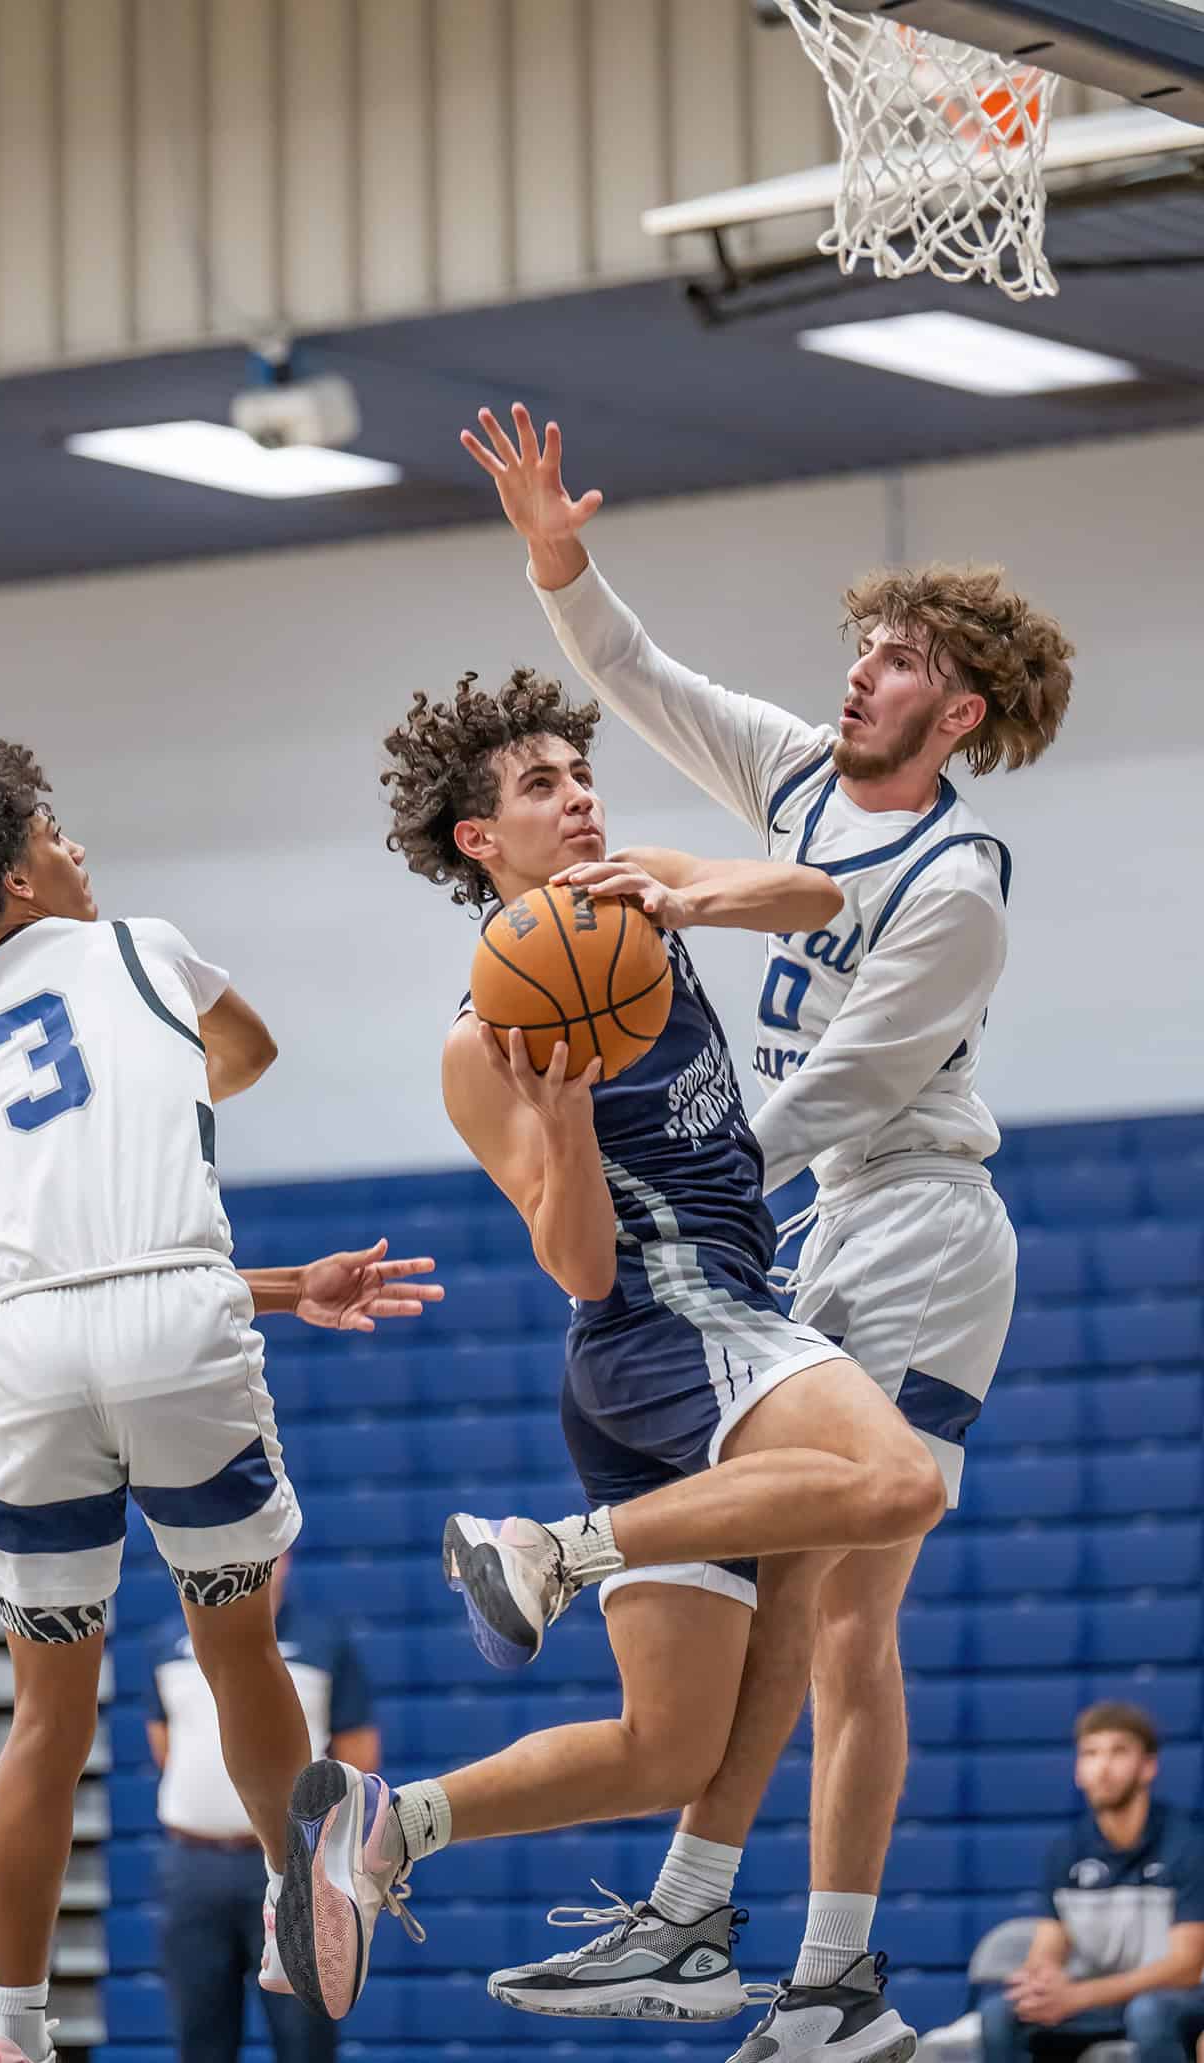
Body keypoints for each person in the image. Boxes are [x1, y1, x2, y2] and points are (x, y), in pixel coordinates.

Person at [458, 403, 1072, 2060]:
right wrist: (558, 564)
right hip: (804, 1225)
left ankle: (837, 1980)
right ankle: (712, 1923)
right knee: (793, 1591)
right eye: (862, 646)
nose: (858, 670)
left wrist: (692, 1190)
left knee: (851, 1601)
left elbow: (846, 1089)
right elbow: (646, 677)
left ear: (958, 709)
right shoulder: (801, 772)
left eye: (894, 659)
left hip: (920, 1222)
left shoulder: (961, 880)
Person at [272, 668, 947, 2030]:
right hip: (668, 1324)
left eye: (578, 775)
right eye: (540, 786)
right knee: (898, 1482)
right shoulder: (483, 1040)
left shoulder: (638, 889)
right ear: (480, 841)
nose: (577, 797)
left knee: (667, 1747)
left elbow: (822, 897)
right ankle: (552, 1550)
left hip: (693, 1345)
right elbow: (575, 1262)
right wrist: (565, 1111)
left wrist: (689, 898)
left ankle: (386, 1823)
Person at [0, 742, 444, 2063]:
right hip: (180, 1324)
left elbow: (68, 1241)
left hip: (29, 1351)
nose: (79, 850)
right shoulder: (137, 943)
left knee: (45, 1719)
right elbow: (244, 1054)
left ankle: (9, 2029)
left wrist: (286, 1281)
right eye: (56, 833)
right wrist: (163, 1083)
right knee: (235, 1647)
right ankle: (300, 1895)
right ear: (19, 874)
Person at [145, 1550, 380, 2063]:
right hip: (194, 1868)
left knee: (305, 2038)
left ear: (286, 1560)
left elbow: (356, 1758)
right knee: (199, 2036)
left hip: (296, 1868)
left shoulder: (324, 1641)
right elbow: (164, 1743)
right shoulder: (167, 1642)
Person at [980, 1703, 1204, 2063]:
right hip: (1097, 2001)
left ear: (1148, 1767)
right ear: (1078, 1772)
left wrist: (1080, 1995)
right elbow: (1048, 1946)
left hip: (1172, 1999)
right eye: (1090, 1754)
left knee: (1148, 2013)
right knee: (1000, 2014)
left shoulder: (1188, 1845)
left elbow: (1186, 1967)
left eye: (1118, 1752)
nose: (1102, 1768)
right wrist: (1042, 1980)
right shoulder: (1066, 1852)